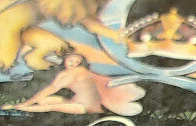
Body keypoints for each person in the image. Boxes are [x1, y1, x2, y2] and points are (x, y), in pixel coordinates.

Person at [14, 49, 143, 116]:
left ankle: (22, 108)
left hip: (85, 105)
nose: (73, 63)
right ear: (65, 58)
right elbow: (50, 90)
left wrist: (26, 104)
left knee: (49, 105)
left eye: (76, 62)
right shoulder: (72, 73)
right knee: (44, 101)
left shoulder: (73, 72)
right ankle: (23, 106)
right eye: (71, 60)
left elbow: (50, 89)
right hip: (86, 103)